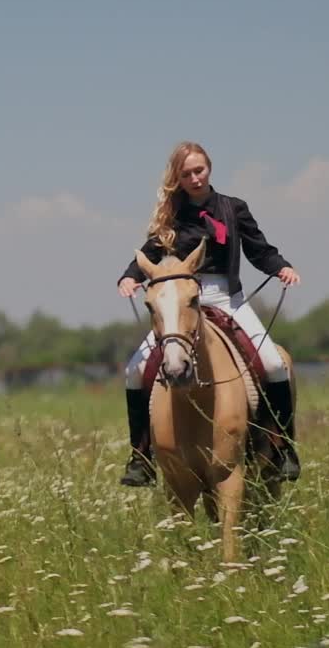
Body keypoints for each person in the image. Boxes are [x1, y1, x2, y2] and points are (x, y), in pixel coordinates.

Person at [117, 140, 301, 487]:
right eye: (186, 174)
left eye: (199, 170)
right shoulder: (170, 215)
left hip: (227, 297)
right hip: (183, 303)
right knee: (134, 370)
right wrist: (130, 276)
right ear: (178, 178)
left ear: (209, 168)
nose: (195, 178)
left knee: (274, 364)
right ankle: (141, 457)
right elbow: (148, 254)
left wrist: (281, 268)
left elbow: (259, 250)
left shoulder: (234, 208)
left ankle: (282, 448)